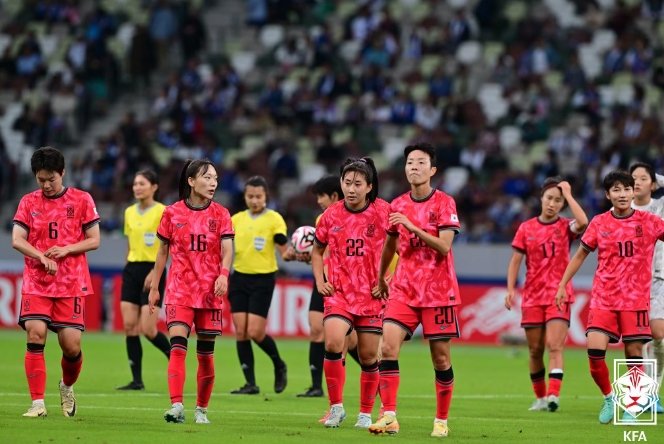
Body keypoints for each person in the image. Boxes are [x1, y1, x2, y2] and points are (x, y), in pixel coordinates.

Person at [555, 170, 664, 424]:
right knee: (594, 354)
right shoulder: (600, 223)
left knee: (634, 353)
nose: (622, 194)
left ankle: (632, 407)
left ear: (633, 192)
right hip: (604, 298)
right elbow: (580, 254)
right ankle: (609, 397)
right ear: (608, 195)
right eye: (616, 190)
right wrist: (562, 284)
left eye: (626, 189)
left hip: (635, 300)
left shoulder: (649, 221)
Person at [369, 143, 460, 438]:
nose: (414, 167)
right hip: (404, 288)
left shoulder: (445, 203)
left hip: (438, 290)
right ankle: (390, 416)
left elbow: (444, 246)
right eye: (409, 162)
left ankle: (441, 420)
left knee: (441, 359)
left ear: (432, 170)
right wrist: (382, 277)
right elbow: (390, 244)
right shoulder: (397, 204)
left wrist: (413, 226)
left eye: (420, 163)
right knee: (387, 347)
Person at [12, 146, 101, 418]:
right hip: (37, 282)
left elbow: (94, 240)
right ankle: (37, 403)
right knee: (35, 333)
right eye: (41, 180)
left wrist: (66, 249)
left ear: (63, 173)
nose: (47, 185)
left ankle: (67, 386)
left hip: (70, 282)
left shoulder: (82, 199)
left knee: (72, 346)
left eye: (52, 178)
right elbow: (17, 239)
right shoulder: (28, 202)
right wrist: (41, 256)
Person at [148, 159, 234, 424]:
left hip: (210, 291)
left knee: (206, 355)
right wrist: (154, 287)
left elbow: (228, 249)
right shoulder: (171, 213)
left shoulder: (221, 214)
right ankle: (176, 406)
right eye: (207, 178)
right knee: (177, 347)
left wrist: (223, 274)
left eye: (215, 179)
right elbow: (162, 251)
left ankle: (201, 410)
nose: (213, 183)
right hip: (180, 289)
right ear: (191, 181)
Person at [312, 157, 389, 428]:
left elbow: (401, 248)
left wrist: (388, 277)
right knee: (333, 342)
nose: (351, 188)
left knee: (369, 357)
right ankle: (336, 408)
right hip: (339, 292)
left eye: (358, 184)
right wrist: (320, 280)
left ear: (369, 186)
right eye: (347, 183)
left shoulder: (383, 212)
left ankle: (366, 413)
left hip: (370, 294)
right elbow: (317, 250)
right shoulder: (331, 214)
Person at [505, 177, 588, 412]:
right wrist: (511, 289)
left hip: (558, 295)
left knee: (555, 345)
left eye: (558, 201)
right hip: (532, 295)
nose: (552, 204)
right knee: (534, 350)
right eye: (549, 198)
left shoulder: (566, 227)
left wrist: (570, 195)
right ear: (541, 199)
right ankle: (540, 397)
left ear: (562, 204)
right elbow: (515, 261)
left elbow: (583, 221)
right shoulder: (526, 228)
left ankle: (554, 395)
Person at [229, 176, 292, 395]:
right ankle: (250, 384)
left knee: (255, 331)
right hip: (238, 278)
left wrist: (292, 253)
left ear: (266, 197)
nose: (254, 200)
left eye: (258, 196)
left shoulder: (274, 219)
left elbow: (283, 247)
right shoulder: (235, 220)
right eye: (250, 196)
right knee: (241, 332)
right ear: (245, 197)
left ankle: (279, 363)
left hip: (263, 279)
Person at [117, 170, 171, 390]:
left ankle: (175, 359)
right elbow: (130, 243)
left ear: (154, 187)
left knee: (148, 329)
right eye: (135, 183)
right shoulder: (129, 212)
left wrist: (155, 272)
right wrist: (128, 267)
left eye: (142, 183)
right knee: (130, 326)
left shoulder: (163, 211)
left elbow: (166, 246)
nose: (137, 187)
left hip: (153, 270)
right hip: (132, 269)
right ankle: (137, 380)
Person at [296, 175, 344, 398]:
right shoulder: (320, 220)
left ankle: (373, 373)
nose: (318, 201)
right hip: (323, 280)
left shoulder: (354, 217)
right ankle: (316, 386)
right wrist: (305, 257)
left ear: (334, 196)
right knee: (316, 329)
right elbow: (321, 251)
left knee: (350, 342)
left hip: (345, 282)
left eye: (321, 196)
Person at [630, 162, 664, 413]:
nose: (638, 182)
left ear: (653, 184)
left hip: (659, 280)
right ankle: (640, 395)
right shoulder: (621, 209)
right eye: (634, 178)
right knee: (636, 342)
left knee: (658, 336)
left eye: (644, 178)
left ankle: (652, 391)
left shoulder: (661, 207)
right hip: (630, 284)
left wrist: (656, 179)